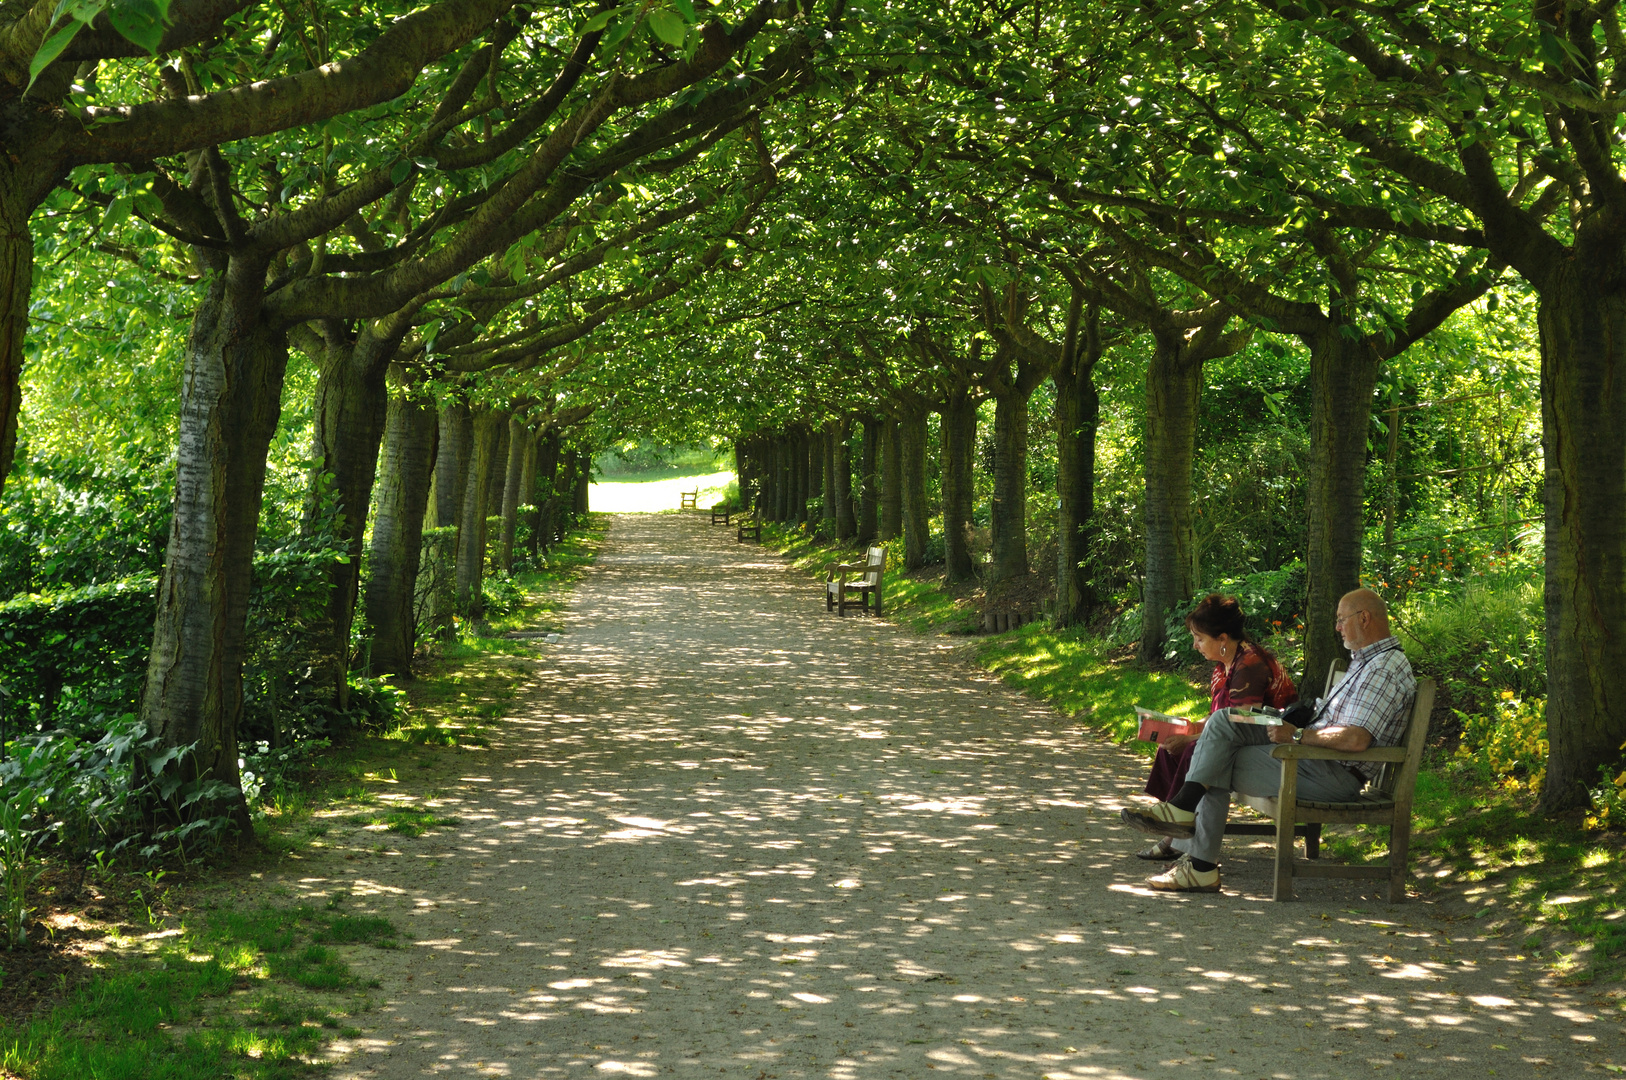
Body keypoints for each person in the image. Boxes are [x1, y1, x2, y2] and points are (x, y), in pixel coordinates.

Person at [1122, 588, 1416, 893]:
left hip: (1330, 772)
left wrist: (1298, 734)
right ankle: (1187, 825)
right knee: (1225, 721)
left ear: (1364, 618)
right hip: (1312, 757)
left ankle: (1199, 863)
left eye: (1341, 619)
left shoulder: (1384, 669)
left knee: (1216, 757)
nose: (1337, 627)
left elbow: (1356, 739)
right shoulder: (1366, 662)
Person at [1137, 594, 1296, 862]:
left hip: (1269, 741)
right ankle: (1173, 825)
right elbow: (1218, 716)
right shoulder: (1223, 667)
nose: (1195, 645)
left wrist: (1192, 740)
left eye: (1199, 638)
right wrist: (1185, 729)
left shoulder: (1250, 663)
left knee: (1190, 751)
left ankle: (1173, 835)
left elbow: (1242, 722)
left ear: (1222, 639)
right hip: (1239, 735)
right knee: (1171, 749)